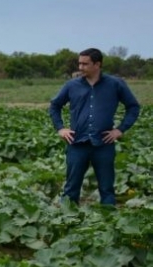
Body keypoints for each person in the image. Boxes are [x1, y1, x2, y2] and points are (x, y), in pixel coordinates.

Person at [48, 47, 140, 205]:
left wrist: (120, 129)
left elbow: (133, 107)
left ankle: (109, 222)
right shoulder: (72, 85)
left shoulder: (115, 84)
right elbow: (55, 106)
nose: (80, 67)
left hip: (104, 143)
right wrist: (60, 128)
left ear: (97, 64)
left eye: (85, 64)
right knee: (71, 188)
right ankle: (66, 223)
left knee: (107, 188)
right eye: (79, 63)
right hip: (77, 143)